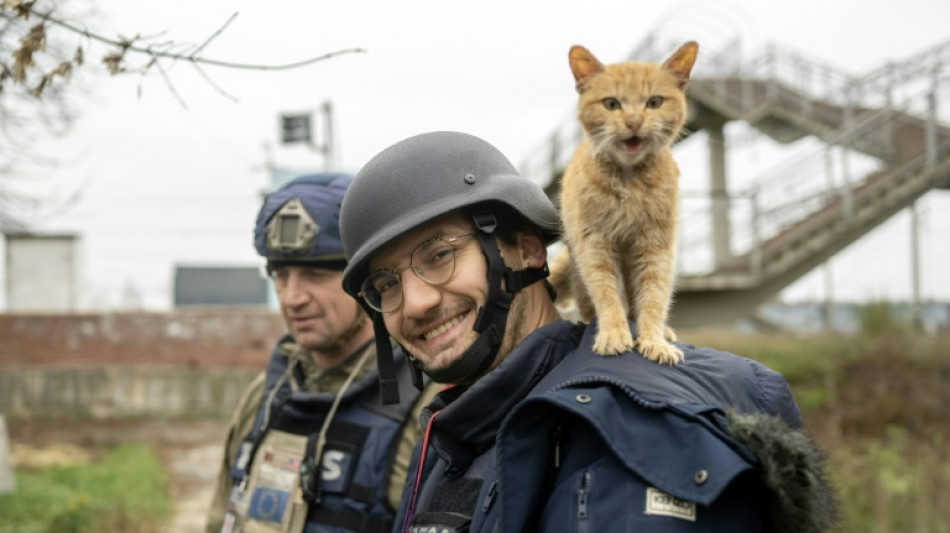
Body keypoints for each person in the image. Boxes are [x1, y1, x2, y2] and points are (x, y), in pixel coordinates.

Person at [338, 131, 836, 532]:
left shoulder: (623, 433)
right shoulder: (460, 431)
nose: (417, 302)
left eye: (440, 254)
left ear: (527, 249)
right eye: (387, 284)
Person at [206, 173, 439, 533]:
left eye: (314, 274)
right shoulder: (265, 396)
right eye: (280, 275)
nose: (291, 297)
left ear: (368, 281)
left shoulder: (428, 403)